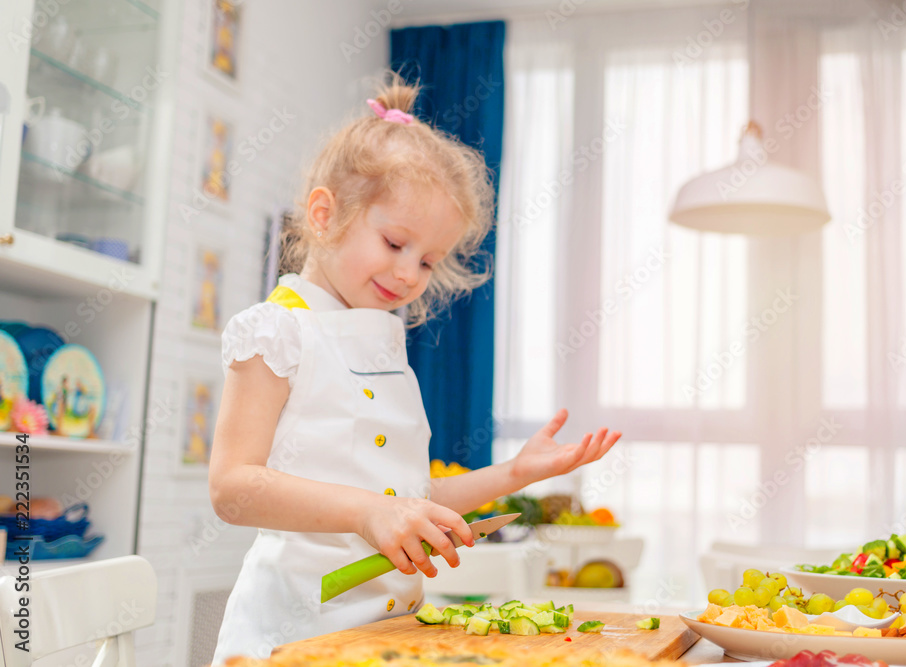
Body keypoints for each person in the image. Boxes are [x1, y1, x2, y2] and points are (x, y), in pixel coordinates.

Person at [208, 75, 622, 664]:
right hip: (291, 634)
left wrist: (515, 473)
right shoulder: (276, 331)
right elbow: (232, 489)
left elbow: (408, 497)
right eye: (395, 242)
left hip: (383, 633)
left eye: (428, 260)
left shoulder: (384, 344)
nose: (409, 274)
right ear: (324, 215)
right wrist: (369, 512)